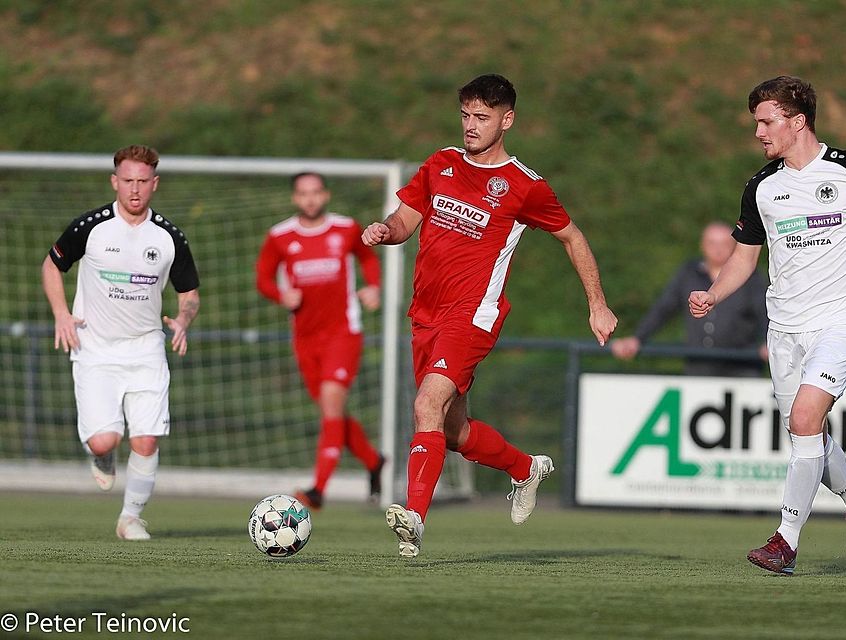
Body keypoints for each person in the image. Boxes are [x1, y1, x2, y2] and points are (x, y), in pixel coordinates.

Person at [362, 74, 618, 558]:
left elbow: (572, 237)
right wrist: (385, 229)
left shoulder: (525, 186)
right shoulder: (441, 164)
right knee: (453, 431)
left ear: (508, 119)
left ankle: (414, 519)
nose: (471, 126)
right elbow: (405, 221)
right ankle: (525, 468)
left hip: (474, 313)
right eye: (465, 115)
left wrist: (597, 303)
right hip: (426, 314)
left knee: (425, 405)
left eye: (482, 117)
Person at [689, 76, 846, 574]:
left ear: (797, 121)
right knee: (810, 437)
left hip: (842, 320)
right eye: (756, 122)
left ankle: (786, 540)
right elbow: (744, 258)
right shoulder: (762, 186)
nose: (758, 132)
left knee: (805, 421)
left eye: (766, 121)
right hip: (784, 328)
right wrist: (713, 293)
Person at [41, 144, 200, 540]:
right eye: (127, 180)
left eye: (142, 181)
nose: (134, 189)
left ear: (154, 184)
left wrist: (182, 319)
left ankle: (130, 518)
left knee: (145, 439)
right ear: (115, 181)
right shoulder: (90, 227)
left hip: (146, 348)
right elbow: (51, 265)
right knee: (104, 439)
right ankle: (103, 453)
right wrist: (62, 314)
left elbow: (190, 294)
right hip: (94, 347)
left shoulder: (169, 236)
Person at [256, 172, 385, 510]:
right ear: (295, 198)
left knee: (331, 402)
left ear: (325, 195)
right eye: (303, 193)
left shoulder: (345, 228)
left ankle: (318, 490)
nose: (310, 199)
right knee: (333, 412)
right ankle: (373, 461)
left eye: (316, 192)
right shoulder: (280, 236)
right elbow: (263, 279)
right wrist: (281, 295)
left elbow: (368, 258)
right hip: (304, 338)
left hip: (343, 332)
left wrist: (373, 286)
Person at [610, 222, 768, 377]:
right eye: (712, 243)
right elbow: (664, 308)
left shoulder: (751, 279)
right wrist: (638, 338)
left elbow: (765, 311)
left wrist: (768, 342)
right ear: (702, 245)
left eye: (724, 243)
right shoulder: (689, 273)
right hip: (699, 366)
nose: (718, 249)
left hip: (741, 367)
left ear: (735, 247)